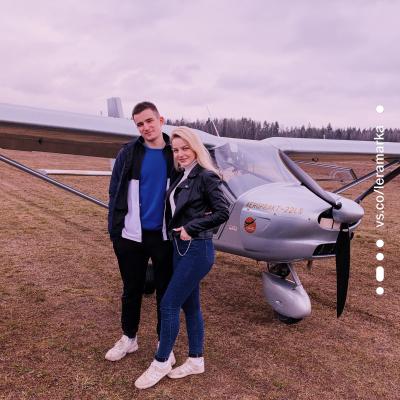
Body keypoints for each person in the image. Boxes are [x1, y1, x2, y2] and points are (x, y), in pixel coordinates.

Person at [135, 126, 230, 389]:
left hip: (197, 249)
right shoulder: (182, 175)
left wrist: (192, 227)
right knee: (191, 306)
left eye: (185, 148)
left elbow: (223, 211)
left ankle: (161, 361)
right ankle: (196, 360)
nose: (180, 154)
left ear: (196, 147)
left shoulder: (206, 176)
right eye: (176, 150)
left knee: (168, 304)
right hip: (180, 248)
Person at [106, 101, 176, 363]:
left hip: (164, 237)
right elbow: (114, 192)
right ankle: (129, 338)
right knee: (131, 290)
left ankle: (163, 343)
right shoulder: (128, 153)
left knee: (165, 293)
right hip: (130, 235)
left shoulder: (176, 152)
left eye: (149, 121)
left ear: (161, 120)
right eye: (140, 124)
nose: (145, 127)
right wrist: (115, 231)